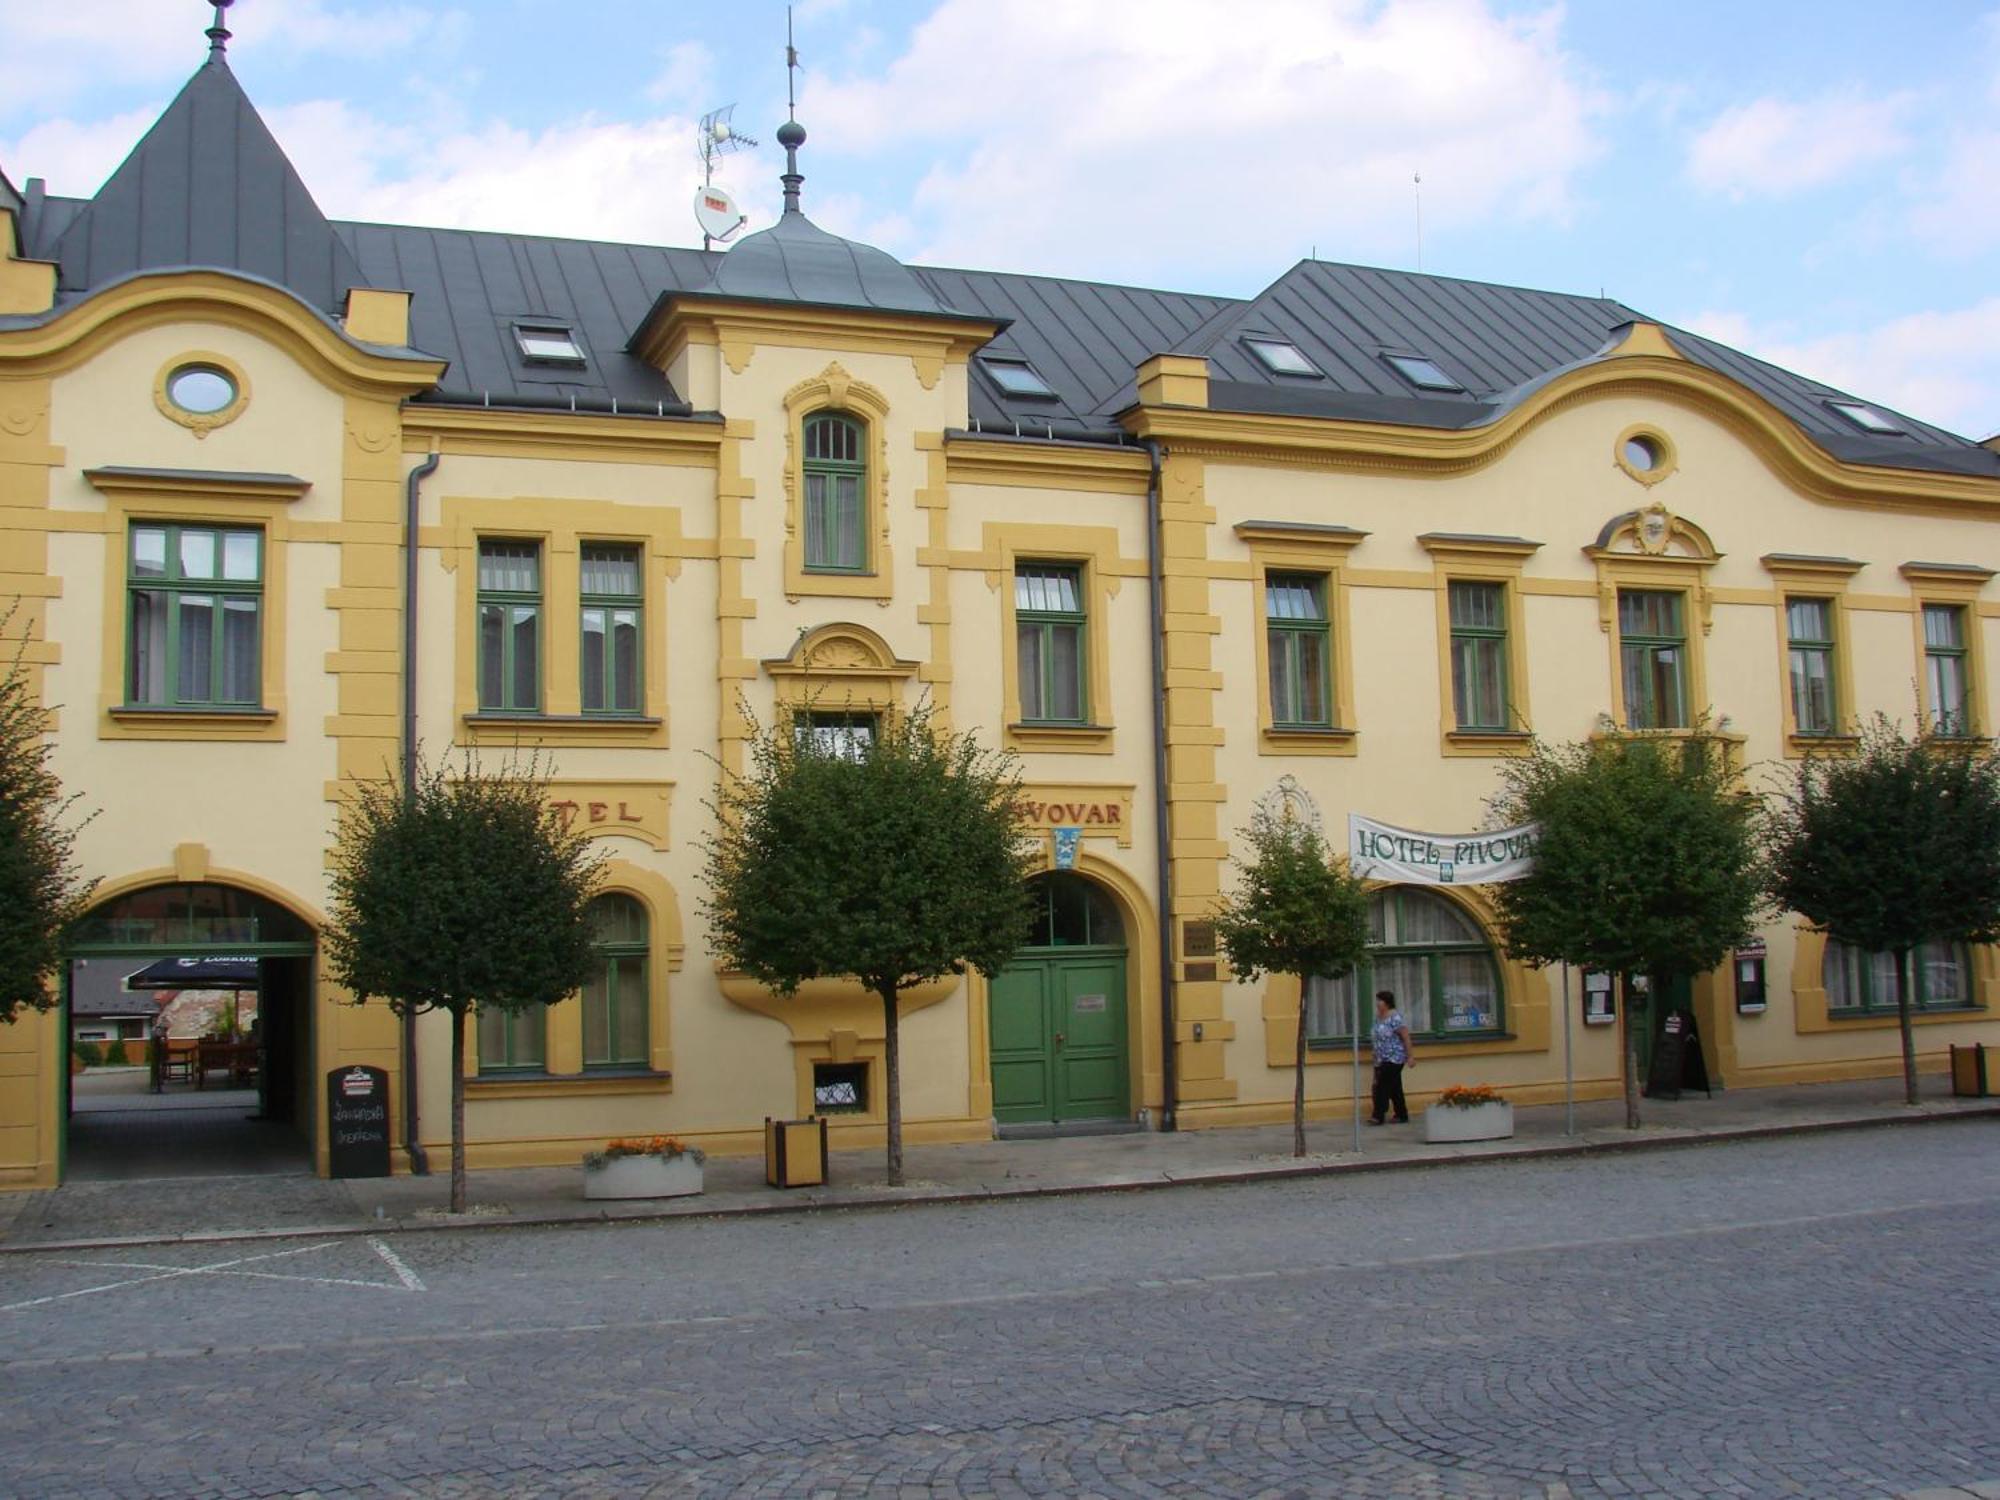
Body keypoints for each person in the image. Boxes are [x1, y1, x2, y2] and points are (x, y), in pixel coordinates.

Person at [1368, 990, 1415, 1124]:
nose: (1377, 1004)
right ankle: (1401, 1114)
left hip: (1394, 1057)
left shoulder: (1395, 1018)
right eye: (1377, 1000)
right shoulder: (1378, 1017)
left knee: (1382, 1086)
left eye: (1380, 1001)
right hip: (1381, 1058)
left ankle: (1378, 1115)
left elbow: (1405, 1037)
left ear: (1387, 1003)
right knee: (1394, 1087)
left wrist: (1410, 1056)